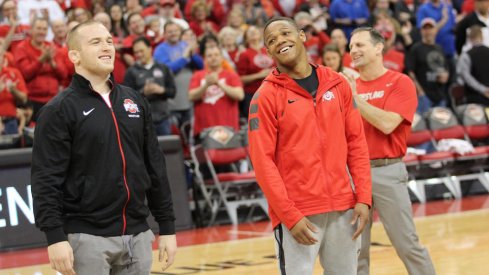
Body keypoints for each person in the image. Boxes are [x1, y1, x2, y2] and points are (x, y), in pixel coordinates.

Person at [31, 21, 177, 275]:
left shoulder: (134, 100)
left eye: (109, 41)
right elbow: (46, 179)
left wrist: (167, 227)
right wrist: (55, 237)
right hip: (85, 237)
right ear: (74, 55)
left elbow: (155, 165)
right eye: (96, 42)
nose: (107, 46)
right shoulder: (58, 110)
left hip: (139, 234)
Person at [248, 17, 372, 274]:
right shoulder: (265, 97)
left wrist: (364, 197)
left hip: (343, 208)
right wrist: (289, 216)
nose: (280, 40)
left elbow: (357, 144)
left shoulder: (337, 84)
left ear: (302, 36)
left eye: (285, 33)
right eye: (272, 40)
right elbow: (263, 163)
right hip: (298, 214)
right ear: (268, 52)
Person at [345, 27, 436, 275]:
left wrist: (355, 99)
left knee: (406, 244)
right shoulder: (347, 88)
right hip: (353, 174)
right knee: (355, 249)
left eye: (360, 45)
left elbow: (387, 124)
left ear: (378, 48)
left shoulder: (400, 82)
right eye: (351, 46)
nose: (353, 50)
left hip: (387, 170)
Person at [124, 36, 176, 135]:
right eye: (136, 52)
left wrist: (161, 90)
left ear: (150, 49)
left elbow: (173, 92)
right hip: (142, 122)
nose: (139, 54)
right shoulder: (131, 72)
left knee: (166, 148)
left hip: (163, 119)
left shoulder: (163, 68)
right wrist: (143, 92)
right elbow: (126, 99)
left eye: (141, 51)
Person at [188, 45, 244, 138]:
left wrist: (219, 83)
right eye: (209, 56)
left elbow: (240, 95)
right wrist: (206, 85)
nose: (213, 58)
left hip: (229, 129)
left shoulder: (231, 75)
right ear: (204, 59)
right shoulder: (198, 75)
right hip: (204, 130)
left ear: (222, 58)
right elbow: (191, 96)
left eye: (216, 55)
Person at [457, 25, 489, 106]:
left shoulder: (466, 55)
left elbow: (465, 77)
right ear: (482, 36)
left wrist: (483, 89)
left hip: (474, 98)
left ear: (469, 38)